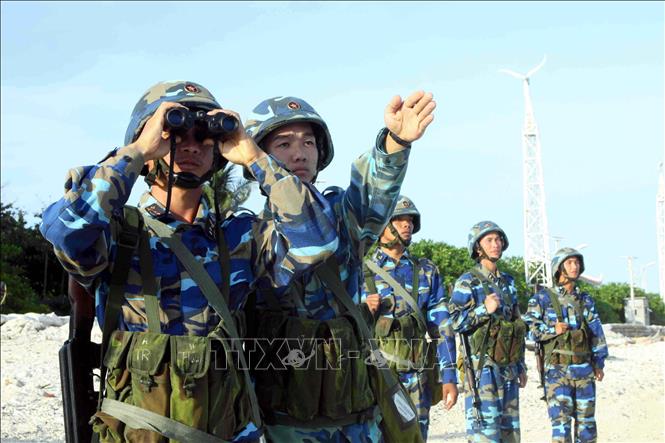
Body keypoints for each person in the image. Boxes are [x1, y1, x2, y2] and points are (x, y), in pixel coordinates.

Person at [40, 80, 338, 442]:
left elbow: (318, 240)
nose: (191, 146)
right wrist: (136, 152)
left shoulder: (240, 238)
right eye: (176, 134)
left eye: (204, 137)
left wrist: (256, 159)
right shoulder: (117, 235)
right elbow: (64, 229)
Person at [243, 92, 436, 442]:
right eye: (283, 144)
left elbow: (373, 192)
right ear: (257, 156)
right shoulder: (245, 235)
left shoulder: (341, 217)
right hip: (282, 425)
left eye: (308, 142)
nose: (299, 152)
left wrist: (395, 143)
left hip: (355, 419)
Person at [361, 195, 458, 440]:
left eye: (410, 221)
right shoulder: (360, 271)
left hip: (416, 378)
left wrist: (449, 376)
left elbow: (442, 327)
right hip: (375, 379)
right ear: (382, 226)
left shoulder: (425, 270)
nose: (407, 225)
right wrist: (363, 309)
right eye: (399, 220)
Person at [449, 221, 528, 443]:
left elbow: (516, 326)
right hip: (482, 371)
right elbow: (454, 323)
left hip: (509, 369)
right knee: (485, 436)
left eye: (499, 240)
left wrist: (521, 365)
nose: (496, 244)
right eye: (490, 240)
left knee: (511, 435)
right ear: (477, 248)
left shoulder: (508, 283)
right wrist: (484, 309)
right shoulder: (467, 282)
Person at [522, 247, 608, 443]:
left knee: (587, 426)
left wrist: (599, 362)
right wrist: (553, 330)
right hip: (557, 373)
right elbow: (529, 329)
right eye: (569, 262)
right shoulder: (542, 299)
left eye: (577, 262)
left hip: (584, 371)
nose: (575, 266)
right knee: (561, 427)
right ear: (559, 268)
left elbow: (596, 332)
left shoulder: (585, 300)